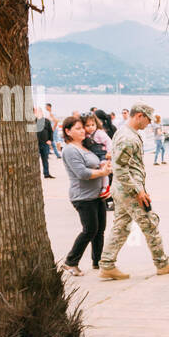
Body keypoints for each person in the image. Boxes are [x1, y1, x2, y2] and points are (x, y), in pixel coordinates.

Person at [98, 104, 169, 280]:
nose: (150, 123)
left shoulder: (123, 132)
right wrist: (138, 191)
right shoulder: (128, 137)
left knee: (121, 226)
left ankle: (107, 264)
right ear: (139, 116)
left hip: (123, 189)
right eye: (148, 119)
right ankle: (162, 263)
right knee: (150, 223)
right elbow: (120, 169)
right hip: (129, 190)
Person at [59, 115, 112, 275]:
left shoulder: (85, 146)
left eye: (83, 128)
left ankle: (98, 261)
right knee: (90, 230)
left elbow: (98, 161)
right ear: (68, 132)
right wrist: (102, 172)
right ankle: (70, 262)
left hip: (97, 195)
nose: (82, 131)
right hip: (83, 196)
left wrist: (105, 165)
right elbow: (82, 173)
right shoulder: (70, 150)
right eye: (78, 128)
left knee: (100, 230)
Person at [35, 111, 55, 178]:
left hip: (45, 143)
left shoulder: (47, 121)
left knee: (45, 159)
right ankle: (36, 175)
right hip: (35, 144)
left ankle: (46, 174)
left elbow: (50, 131)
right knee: (35, 160)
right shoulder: (33, 121)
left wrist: (50, 140)